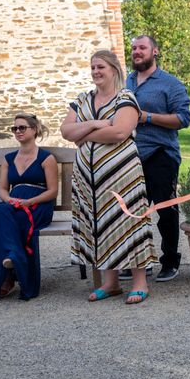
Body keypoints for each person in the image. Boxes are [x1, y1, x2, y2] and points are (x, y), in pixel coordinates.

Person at [62, 50, 157, 304]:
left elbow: (119, 133)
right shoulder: (83, 99)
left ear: (114, 68)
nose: (95, 71)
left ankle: (139, 283)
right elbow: (65, 130)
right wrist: (98, 124)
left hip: (122, 175)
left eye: (100, 66)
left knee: (129, 223)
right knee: (98, 225)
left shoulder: (126, 98)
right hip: (87, 179)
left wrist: (84, 133)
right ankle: (110, 283)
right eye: (92, 67)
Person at [123, 35, 190, 282]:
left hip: (161, 154)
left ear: (155, 51)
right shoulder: (125, 82)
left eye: (142, 47)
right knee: (133, 212)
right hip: (130, 156)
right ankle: (140, 262)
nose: (137, 52)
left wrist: (147, 117)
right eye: (133, 48)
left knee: (165, 211)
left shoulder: (170, 83)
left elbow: (183, 119)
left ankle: (170, 262)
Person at [0, 114, 58, 300]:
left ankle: (9, 276)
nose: (17, 131)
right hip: (15, 204)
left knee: (0, 230)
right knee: (1, 209)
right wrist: (9, 200)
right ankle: (14, 257)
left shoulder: (46, 158)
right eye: (15, 129)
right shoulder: (8, 159)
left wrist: (29, 202)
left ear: (34, 130)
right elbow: (3, 189)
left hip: (38, 205)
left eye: (22, 127)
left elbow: (52, 191)